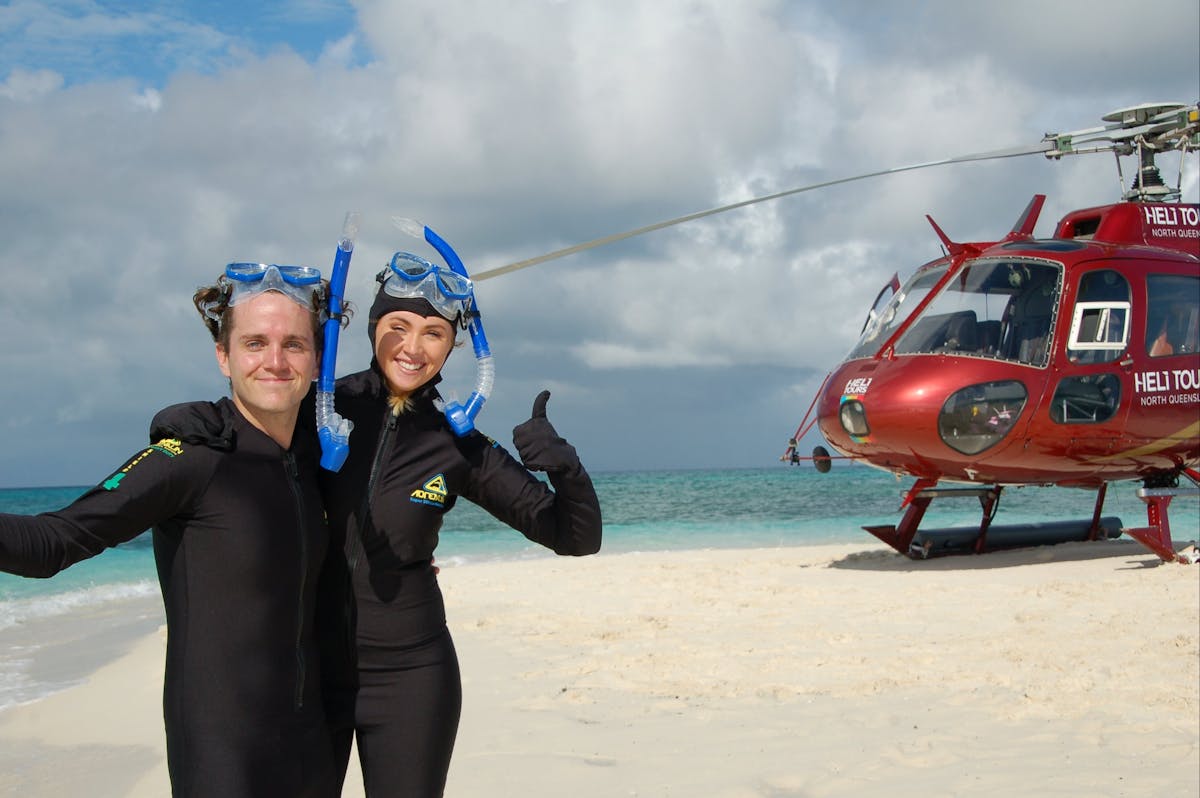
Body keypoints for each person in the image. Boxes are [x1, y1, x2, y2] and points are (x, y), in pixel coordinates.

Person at [0, 263, 341, 798]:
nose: (275, 361)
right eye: (255, 343)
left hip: (313, 745)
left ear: (318, 358)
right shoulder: (185, 461)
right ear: (223, 357)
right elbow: (53, 542)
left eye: (293, 345)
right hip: (222, 753)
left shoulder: (320, 457)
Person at [319, 249, 603, 797]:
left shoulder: (457, 443)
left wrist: (566, 468)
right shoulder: (320, 409)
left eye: (434, 332)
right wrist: (196, 427)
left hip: (411, 674)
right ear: (373, 326)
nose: (412, 347)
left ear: (454, 345)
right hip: (307, 664)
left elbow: (574, 537)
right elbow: (244, 445)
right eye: (397, 326)